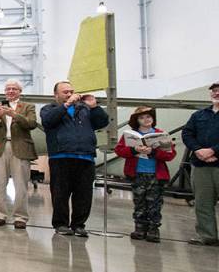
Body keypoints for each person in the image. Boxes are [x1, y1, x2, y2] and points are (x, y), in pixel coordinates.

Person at [40, 81, 109, 237]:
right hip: (61, 156)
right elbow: (48, 121)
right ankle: (61, 224)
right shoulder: (48, 109)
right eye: (65, 92)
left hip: (85, 156)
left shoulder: (84, 109)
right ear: (56, 95)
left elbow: (102, 122)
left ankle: (79, 224)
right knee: (60, 193)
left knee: (84, 194)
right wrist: (66, 106)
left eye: (71, 91)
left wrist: (94, 106)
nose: (70, 94)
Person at [115, 106, 176, 243]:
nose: (146, 119)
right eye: (142, 117)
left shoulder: (161, 134)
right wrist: (134, 149)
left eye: (148, 117)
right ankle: (140, 227)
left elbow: (170, 155)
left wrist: (154, 152)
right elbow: (119, 151)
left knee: (154, 203)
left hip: (155, 174)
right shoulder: (129, 135)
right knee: (139, 202)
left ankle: (154, 229)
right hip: (137, 174)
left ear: (153, 118)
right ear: (137, 120)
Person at [0, 79, 38, 229]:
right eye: (8, 89)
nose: (11, 91)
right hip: (0, 148)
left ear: (20, 91)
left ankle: (20, 217)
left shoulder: (28, 106)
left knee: (21, 185)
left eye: (14, 88)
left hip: (20, 148)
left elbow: (31, 124)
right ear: (5, 91)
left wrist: (14, 115)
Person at [182, 82, 219, 246]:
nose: (216, 93)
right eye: (214, 91)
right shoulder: (198, 115)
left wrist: (213, 151)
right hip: (201, 165)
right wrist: (198, 150)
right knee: (203, 202)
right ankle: (207, 235)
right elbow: (187, 133)